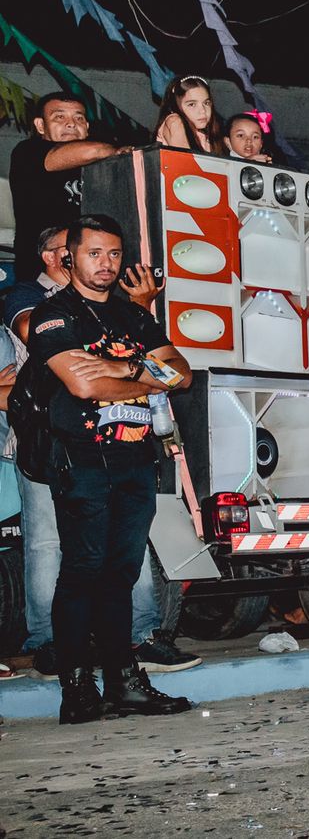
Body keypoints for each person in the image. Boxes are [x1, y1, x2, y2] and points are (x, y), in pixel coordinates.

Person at [6, 226, 197, 677]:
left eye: (113, 253)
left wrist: (123, 367)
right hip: (69, 454)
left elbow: (181, 374)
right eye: (93, 253)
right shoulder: (47, 308)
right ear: (65, 258)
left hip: (131, 455)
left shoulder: (130, 314)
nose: (106, 263)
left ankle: (128, 663)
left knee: (124, 565)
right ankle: (65, 668)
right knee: (70, 561)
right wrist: (147, 376)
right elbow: (83, 384)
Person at [10, 93, 126, 282]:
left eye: (78, 118)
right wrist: (118, 151)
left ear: (87, 127)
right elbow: (92, 151)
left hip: (95, 272)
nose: (71, 124)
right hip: (44, 273)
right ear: (40, 125)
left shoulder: (103, 165)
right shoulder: (27, 152)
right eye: (59, 117)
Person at [154, 75, 223, 153]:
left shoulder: (207, 136)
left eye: (206, 103)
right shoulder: (174, 121)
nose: (203, 110)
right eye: (192, 104)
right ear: (175, 106)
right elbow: (185, 159)